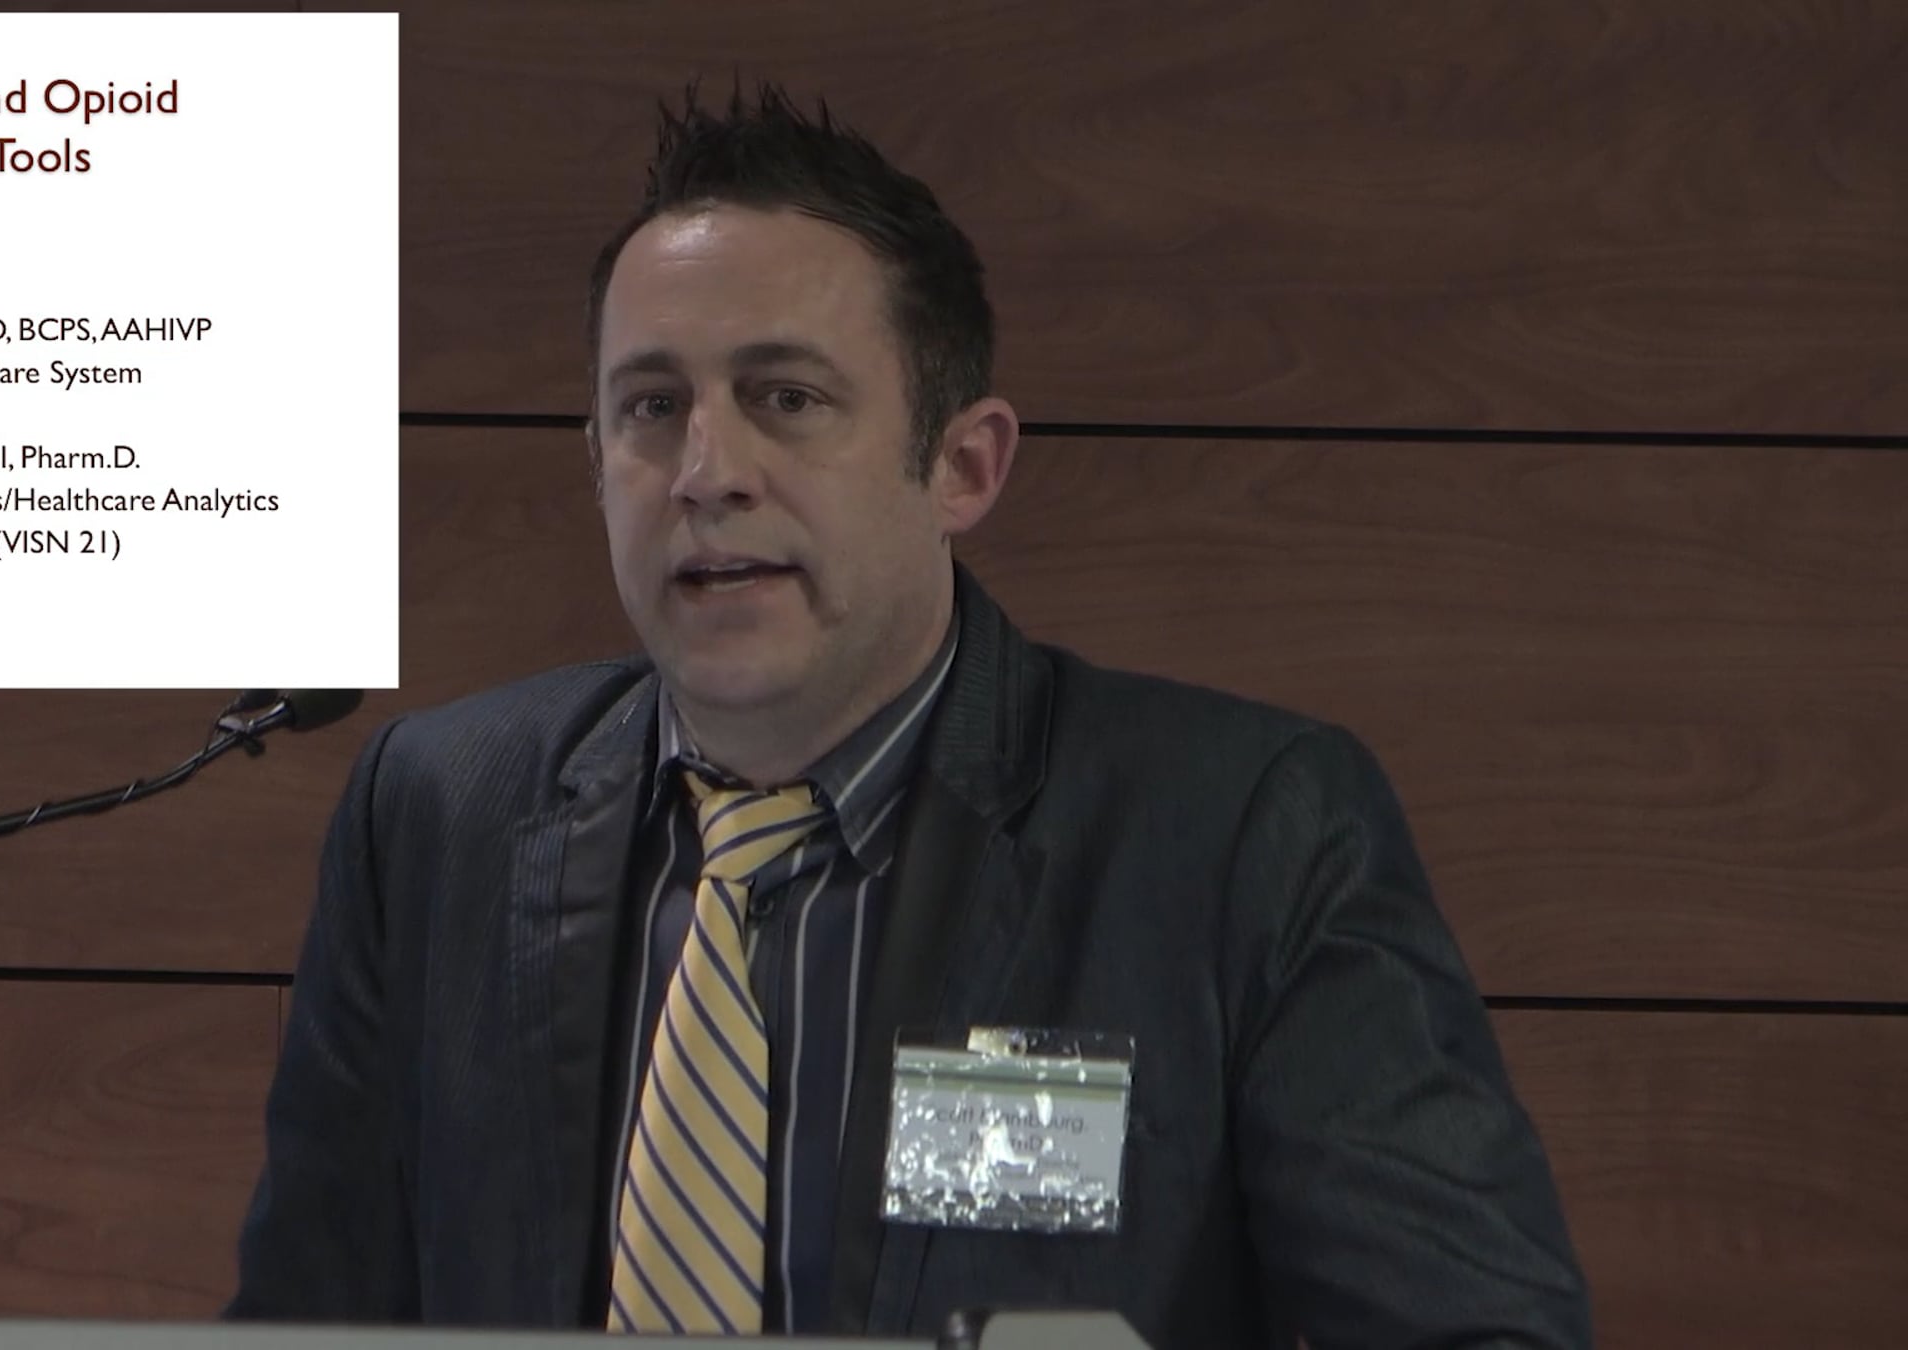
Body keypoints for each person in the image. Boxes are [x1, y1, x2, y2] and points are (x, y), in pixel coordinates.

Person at [226, 82, 1591, 1349]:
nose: (706, 471)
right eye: (652, 406)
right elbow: (308, 1320)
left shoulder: (1242, 833)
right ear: (596, 463)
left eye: (786, 397)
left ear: (961, 466)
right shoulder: (440, 813)